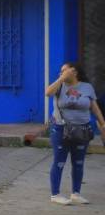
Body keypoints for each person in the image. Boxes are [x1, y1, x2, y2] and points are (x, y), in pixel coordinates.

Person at [45, 62, 104, 204]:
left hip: (82, 130)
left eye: (64, 70)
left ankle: (76, 193)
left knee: (78, 162)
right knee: (59, 161)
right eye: (60, 71)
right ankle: (55, 195)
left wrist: (103, 124)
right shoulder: (59, 85)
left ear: (74, 72)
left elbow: (94, 108)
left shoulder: (87, 87)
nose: (62, 73)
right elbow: (48, 93)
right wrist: (61, 79)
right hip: (61, 129)